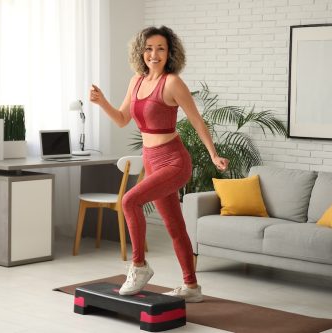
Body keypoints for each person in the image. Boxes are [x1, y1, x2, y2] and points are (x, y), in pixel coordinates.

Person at [89, 26, 229, 303]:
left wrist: (213, 154)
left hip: (174, 161)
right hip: (152, 162)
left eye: (161, 49)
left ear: (170, 53)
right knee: (175, 226)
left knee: (129, 201)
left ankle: (139, 266)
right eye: (149, 48)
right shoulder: (136, 81)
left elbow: (197, 121)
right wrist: (102, 101)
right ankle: (191, 287)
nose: (154, 54)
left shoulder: (172, 83)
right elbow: (121, 119)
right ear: (141, 51)